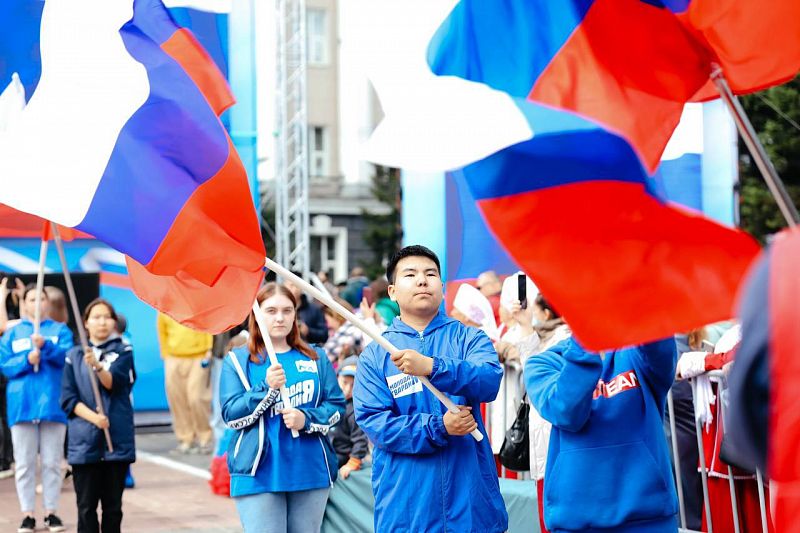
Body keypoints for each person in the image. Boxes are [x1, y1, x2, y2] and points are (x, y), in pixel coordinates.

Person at [354, 245, 508, 532]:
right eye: (410, 274)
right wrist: (440, 427)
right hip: (407, 508)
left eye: (430, 274)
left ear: (442, 287)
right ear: (392, 292)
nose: (422, 280)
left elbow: (489, 381)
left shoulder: (469, 338)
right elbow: (376, 424)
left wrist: (433, 367)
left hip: (471, 503)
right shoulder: (376, 355)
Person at [220, 282, 345, 533]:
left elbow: (336, 408)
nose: (280, 318)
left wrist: (306, 419)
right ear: (257, 314)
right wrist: (265, 388)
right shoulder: (237, 360)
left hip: (310, 468)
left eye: (287, 311)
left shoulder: (315, 357)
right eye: (271, 311)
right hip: (258, 471)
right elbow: (231, 415)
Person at [525, 335, 679, 532]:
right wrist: (585, 343)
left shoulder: (639, 350)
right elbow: (568, 413)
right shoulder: (542, 364)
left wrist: (642, 318)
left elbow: (659, 346)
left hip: (649, 519)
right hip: (576, 522)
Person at [0, 285, 73, 533]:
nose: (37, 304)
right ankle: (27, 514)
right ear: (24, 303)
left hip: (52, 403)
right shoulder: (13, 333)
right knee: (24, 463)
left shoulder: (60, 331)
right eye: (31, 299)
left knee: (52, 462)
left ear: (47, 303)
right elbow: (5, 365)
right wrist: (25, 359)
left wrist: (46, 348)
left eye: (41, 299)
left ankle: (51, 512)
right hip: (22, 405)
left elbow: (67, 358)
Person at [61, 299, 136, 533]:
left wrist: (98, 366)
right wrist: (95, 419)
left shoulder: (124, 351)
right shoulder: (73, 355)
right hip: (84, 442)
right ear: (86, 322)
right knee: (86, 508)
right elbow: (68, 399)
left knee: (113, 508)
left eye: (106, 317)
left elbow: (115, 383)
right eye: (96, 317)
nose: (102, 322)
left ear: (114, 321)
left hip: (115, 441)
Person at [156, 312, 214, 454]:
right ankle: (185, 439)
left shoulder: (197, 304)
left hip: (199, 356)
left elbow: (208, 325)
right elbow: (162, 330)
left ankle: (204, 438)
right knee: (177, 399)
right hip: (173, 357)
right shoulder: (165, 307)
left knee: (197, 398)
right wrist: (165, 354)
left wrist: (209, 349)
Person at [327, 356, 369, 479]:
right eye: (344, 382)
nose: (347, 389)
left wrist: (353, 462)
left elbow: (361, 440)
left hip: (341, 455)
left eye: (353, 385)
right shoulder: (328, 399)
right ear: (337, 377)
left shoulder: (356, 409)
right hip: (325, 449)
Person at [284, 274, 329, 345]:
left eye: (297, 285)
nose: (294, 289)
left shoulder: (314, 309)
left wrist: (308, 331)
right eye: (291, 285)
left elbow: (324, 335)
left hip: (307, 348)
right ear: (284, 286)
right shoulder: (278, 308)